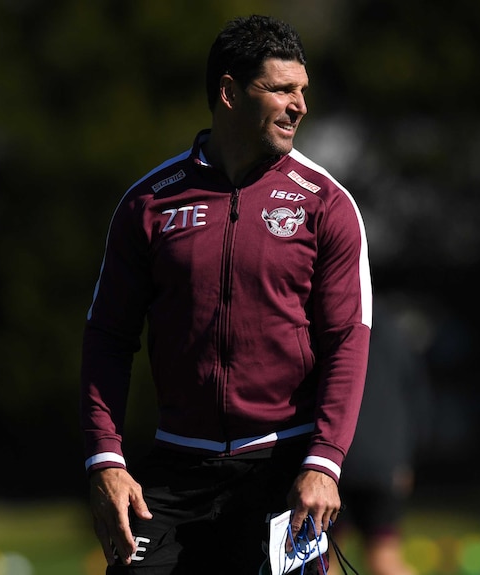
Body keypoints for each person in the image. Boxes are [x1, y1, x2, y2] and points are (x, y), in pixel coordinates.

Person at [80, 14, 373, 574]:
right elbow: (107, 337)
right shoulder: (149, 204)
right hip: (173, 471)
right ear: (229, 93)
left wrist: (324, 462)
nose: (299, 105)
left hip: (283, 470)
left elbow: (348, 342)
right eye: (282, 89)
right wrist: (104, 459)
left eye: (302, 90)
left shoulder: (327, 205)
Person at [336, 304, 433, 575]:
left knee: (326, 559)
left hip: (337, 457)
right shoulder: (395, 332)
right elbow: (418, 401)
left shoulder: (331, 325)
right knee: (385, 557)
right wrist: (406, 459)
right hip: (385, 461)